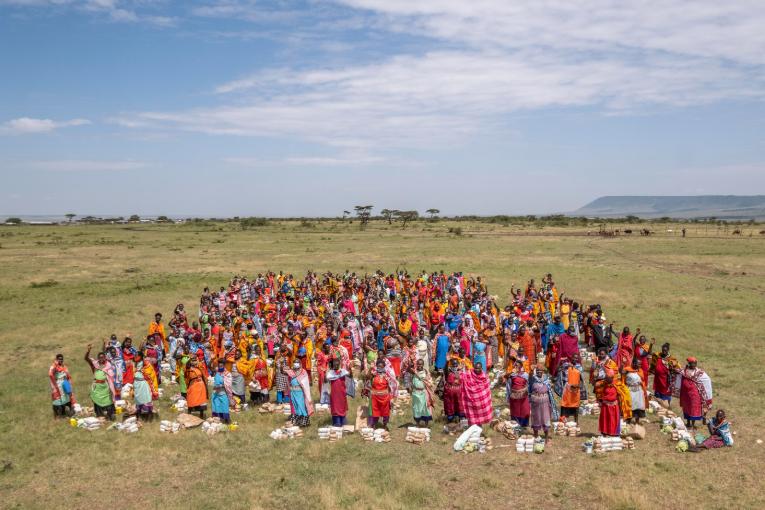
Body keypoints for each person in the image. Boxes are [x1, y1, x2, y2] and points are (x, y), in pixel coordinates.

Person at [675, 357, 713, 429]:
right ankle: (688, 423)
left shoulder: (699, 373)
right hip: (686, 394)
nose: (694, 365)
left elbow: (707, 380)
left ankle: (692, 425)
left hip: (694, 394)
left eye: (695, 363)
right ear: (689, 363)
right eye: (692, 363)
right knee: (687, 407)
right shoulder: (684, 371)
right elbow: (678, 373)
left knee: (693, 408)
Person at [84, 345, 116, 420]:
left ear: (105, 358)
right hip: (97, 387)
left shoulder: (108, 366)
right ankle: (100, 415)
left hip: (105, 387)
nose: (101, 358)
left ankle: (110, 415)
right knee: (97, 400)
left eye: (103, 357)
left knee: (108, 401)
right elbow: (86, 359)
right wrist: (88, 351)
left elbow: (111, 377)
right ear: (98, 358)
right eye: (100, 357)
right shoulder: (95, 365)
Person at [365, 358, 397, 429]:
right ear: (376, 366)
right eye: (378, 366)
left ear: (384, 367)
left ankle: (385, 425)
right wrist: (370, 369)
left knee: (385, 412)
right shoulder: (373, 374)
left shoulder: (387, 376)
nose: (380, 368)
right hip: (375, 398)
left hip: (384, 398)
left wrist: (391, 398)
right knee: (375, 412)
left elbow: (390, 387)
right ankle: (373, 425)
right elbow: (367, 378)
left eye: (382, 366)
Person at [529, 364, 558, 441]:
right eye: (537, 371)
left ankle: (546, 437)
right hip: (535, 401)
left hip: (545, 401)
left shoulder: (546, 379)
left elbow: (550, 389)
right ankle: (535, 436)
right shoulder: (533, 379)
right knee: (536, 418)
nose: (539, 372)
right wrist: (531, 370)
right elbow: (529, 380)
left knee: (546, 418)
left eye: (540, 371)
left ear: (543, 372)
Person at [554, 354, 587, 424]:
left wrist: (578, 386)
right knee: (565, 404)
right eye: (574, 358)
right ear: (571, 358)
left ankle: (576, 421)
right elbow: (556, 370)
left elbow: (581, 379)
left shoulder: (579, 367)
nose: (575, 359)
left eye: (576, 358)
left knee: (575, 405)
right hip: (567, 388)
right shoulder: (566, 365)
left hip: (575, 388)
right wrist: (560, 362)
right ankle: (562, 420)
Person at [460, 361, 493, 427]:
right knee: (472, 419)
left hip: (481, 403)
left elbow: (486, 390)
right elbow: (461, 376)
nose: (476, 370)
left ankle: (479, 428)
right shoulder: (469, 374)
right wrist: (460, 369)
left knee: (480, 418)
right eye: (475, 368)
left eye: (478, 368)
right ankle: (472, 428)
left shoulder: (484, 377)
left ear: (481, 368)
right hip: (471, 401)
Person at [286, 360, 314, 427]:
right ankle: (298, 421)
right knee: (295, 405)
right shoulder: (291, 371)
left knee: (301, 405)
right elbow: (283, 372)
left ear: (300, 364)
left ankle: (305, 421)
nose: (296, 364)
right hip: (293, 391)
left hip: (300, 392)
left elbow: (305, 382)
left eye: (297, 362)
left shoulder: (303, 371)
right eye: (294, 362)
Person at [133, 352, 158, 421]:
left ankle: (148, 416)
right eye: (135, 355)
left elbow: (151, 374)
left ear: (141, 357)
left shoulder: (146, 364)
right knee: (138, 400)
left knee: (146, 399)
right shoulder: (135, 364)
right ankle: (139, 415)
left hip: (143, 384)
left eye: (137, 356)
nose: (135, 357)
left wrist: (143, 371)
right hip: (136, 383)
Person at [49, 354, 75, 418]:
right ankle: (57, 415)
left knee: (66, 398)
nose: (60, 360)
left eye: (61, 359)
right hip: (58, 384)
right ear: (56, 359)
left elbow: (68, 375)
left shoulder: (64, 366)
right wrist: (55, 385)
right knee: (57, 400)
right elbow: (50, 374)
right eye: (59, 359)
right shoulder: (54, 366)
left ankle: (64, 413)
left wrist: (69, 383)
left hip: (65, 383)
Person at [505, 360, 530, 427]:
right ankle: (515, 424)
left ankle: (523, 424)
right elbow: (505, 377)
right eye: (515, 365)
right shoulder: (512, 375)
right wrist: (510, 372)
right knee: (515, 409)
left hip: (523, 395)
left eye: (518, 366)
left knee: (524, 409)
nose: (516, 367)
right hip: (514, 395)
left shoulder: (525, 375)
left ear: (521, 366)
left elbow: (528, 384)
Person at [410, 359, 434, 427]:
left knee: (425, 408)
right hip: (415, 393)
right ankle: (417, 424)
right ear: (416, 364)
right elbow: (408, 369)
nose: (419, 365)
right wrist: (411, 362)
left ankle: (426, 425)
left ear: (423, 365)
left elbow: (430, 381)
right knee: (416, 408)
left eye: (421, 364)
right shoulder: (414, 372)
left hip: (424, 392)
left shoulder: (426, 372)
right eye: (418, 364)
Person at [326, 357, 349, 426]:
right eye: (334, 364)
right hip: (334, 394)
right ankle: (337, 423)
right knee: (335, 408)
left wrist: (349, 368)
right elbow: (325, 380)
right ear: (332, 365)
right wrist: (327, 369)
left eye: (337, 364)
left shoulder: (343, 372)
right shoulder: (330, 373)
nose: (336, 365)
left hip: (342, 393)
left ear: (339, 364)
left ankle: (343, 422)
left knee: (342, 407)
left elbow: (349, 377)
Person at [439, 358, 463, 423]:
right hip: (450, 394)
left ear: (458, 365)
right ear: (451, 365)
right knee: (450, 405)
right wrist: (447, 362)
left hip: (459, 394)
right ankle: (450, 419)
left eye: (456, 364)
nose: (455, 366)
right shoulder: (448, 372)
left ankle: (459, 418)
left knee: (459, 405)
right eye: (453, 364)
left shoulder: (461, 372)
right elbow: (445, 369)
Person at [624, 357, 647, 423]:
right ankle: (628, 420)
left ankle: (637, 421)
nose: (639, 366)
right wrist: (623, 365)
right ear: (633, 363)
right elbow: (622, 373)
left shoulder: (640, 371)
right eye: (638, 364)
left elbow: (642, 381)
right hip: (630, 390)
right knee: (630, 405)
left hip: (638, 391)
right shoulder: (627, 370)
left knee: (638, 405)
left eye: (640, 364)